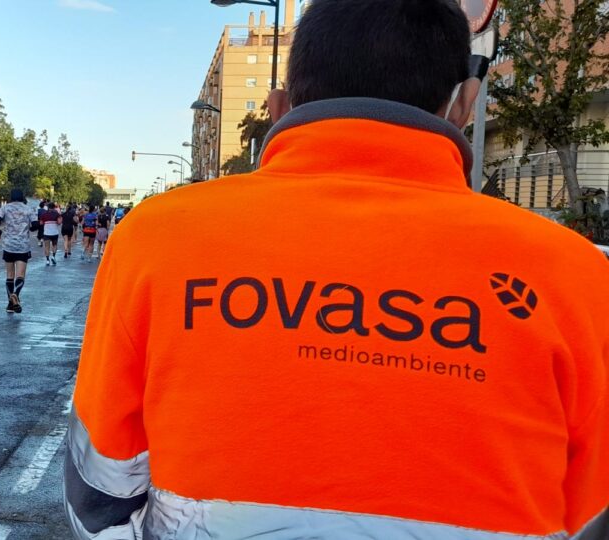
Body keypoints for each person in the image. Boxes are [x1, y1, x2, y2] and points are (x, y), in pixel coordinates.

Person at [64, 0, 609, 538]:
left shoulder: (158, 238)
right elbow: (592, 511)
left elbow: (99, 490)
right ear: (464, 106)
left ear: (279, 107)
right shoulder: (577, 277)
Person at [0, 189, 38, 313]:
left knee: (9, 275)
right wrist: (28, 228)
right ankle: (15, 294)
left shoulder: (5, 208)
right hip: (23, 246)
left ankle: (10, 304)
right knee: (20, 275)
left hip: (8, 245)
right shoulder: (28, 209)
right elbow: (35, 225)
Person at [40, 202, 62, 266]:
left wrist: (45, 223)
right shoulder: (57, 214)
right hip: (54, 233)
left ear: (48, 207)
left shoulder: (44, 214)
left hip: (47, 233)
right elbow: (59, 222)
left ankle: (47, 260)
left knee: (47, 247)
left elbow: (41, 223)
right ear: (54, 207)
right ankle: (53, 257)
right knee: (54, 245)